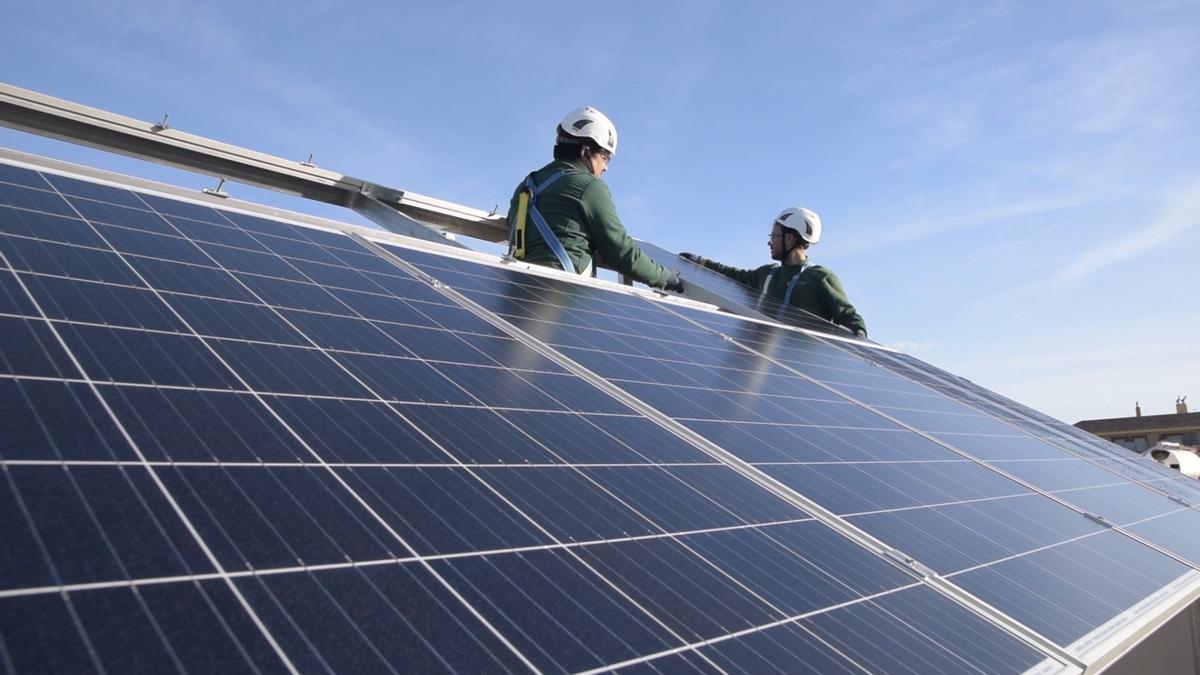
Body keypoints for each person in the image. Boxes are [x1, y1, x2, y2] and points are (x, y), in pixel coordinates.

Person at [506, 106, 683, 292]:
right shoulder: (589, 186)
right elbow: (620, 251)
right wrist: (665, 276)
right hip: (559, 294)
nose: (605, 167)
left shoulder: (527, 184)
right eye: (605, 157)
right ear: (586, 151)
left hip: (518, 288)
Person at [680, 207, 867, 336]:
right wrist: (701, 262)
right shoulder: (768, 274)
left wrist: (857, 340)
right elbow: (733, 275)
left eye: (775, 236)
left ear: (790, 239)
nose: (770, 242)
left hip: (803, 369)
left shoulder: (820, 277)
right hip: (768, 360)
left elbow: (849, 317)